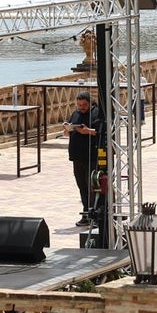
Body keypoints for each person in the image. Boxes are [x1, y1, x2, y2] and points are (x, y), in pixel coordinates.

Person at [62, 93, 102, 227]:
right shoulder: (75, 114)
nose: (82, 107)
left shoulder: (96, 113)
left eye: (84, 105)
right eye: (79, 105)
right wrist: (67, 129)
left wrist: (88, 131)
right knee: (82, 186)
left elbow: (99, 131)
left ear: (90, 103)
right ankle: (86, 213)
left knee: (92, 186)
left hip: (90, 155)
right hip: (76, 156)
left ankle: (96, 215)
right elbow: (69, 132)